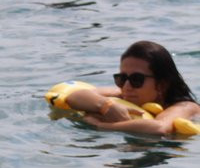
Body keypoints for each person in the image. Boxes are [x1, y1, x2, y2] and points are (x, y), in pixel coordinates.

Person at [61, 41, 200, 136]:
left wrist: (100, 126)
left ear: (162, 84)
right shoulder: (123, 94)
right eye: (121, 78)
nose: (126, 86)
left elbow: (160, 128)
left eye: (136, 80)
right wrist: (106, 106)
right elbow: (75, 95)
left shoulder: (185, 107)